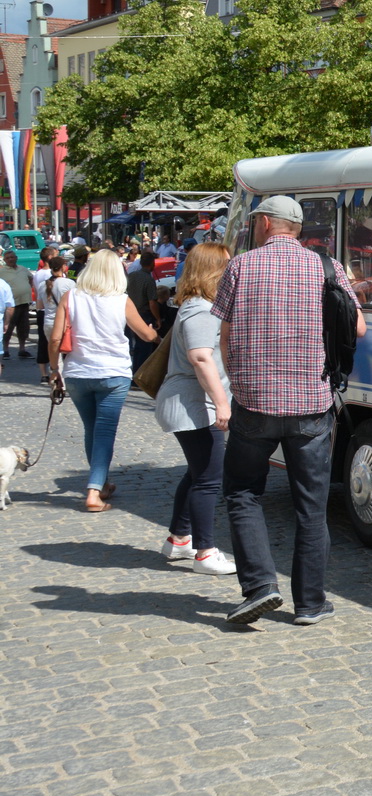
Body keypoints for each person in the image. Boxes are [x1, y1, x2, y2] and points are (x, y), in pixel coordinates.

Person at [215, 195, 363, 627]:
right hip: (311, 406)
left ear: (263, 223)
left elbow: (223, 332)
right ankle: (310, 603)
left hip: (254, 404)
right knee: (311, 506)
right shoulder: (327, 267)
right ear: (298, 229)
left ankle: (261, 586)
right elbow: (359, 326)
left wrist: (239, 380)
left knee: (243, 493)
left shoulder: (241, 266)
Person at [47, 249, 157, 512]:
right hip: (113, 373)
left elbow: (54, 338)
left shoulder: (70, 296)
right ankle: (94, 492)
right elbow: (144, 335)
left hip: (77, 373)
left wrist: (54, 370)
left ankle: (103, 483)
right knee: (105, 432)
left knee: (91, 429)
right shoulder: (121, 300)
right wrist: (158, 337)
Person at [155, 244, 237, 576]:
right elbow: (201, 357)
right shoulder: (201, 309)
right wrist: (222, 404)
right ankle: (206, 552)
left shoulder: (197, 306)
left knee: (197, 474)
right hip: (194, 406)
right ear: (215, 270)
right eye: (227, 267)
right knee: (208, 479)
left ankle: (179, 537)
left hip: (191, 404)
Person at [36, 254, 71, 384]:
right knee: (68, 353)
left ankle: (55, 378)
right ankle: (65, 381)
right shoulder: (69, 283)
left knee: (54, 353)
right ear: (63, 267)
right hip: (65, 322)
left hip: (49, 322)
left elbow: (39, 306)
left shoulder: (42, 285)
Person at [125, 254, 159, 371]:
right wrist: (158, 318)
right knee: (144, 347)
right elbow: (152, 303)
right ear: (152, 264)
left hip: (128, 313)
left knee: (133, 346)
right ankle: (139, 375)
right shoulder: (148, 280)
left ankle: (133, 373)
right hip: (144, 315)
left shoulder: (131, 276)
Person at [0, 252, 32, 358]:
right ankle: (5, 349)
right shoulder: (2, 271)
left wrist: (27, 289)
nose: (10, 259)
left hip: (24, 302)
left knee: (23, 327)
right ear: (4, 260)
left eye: (12, 257)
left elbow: (30, 279)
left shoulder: (23, 269)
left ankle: (22, 349)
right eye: (8, 258)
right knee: (8, 327)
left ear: (16, 258)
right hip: (11, 305)